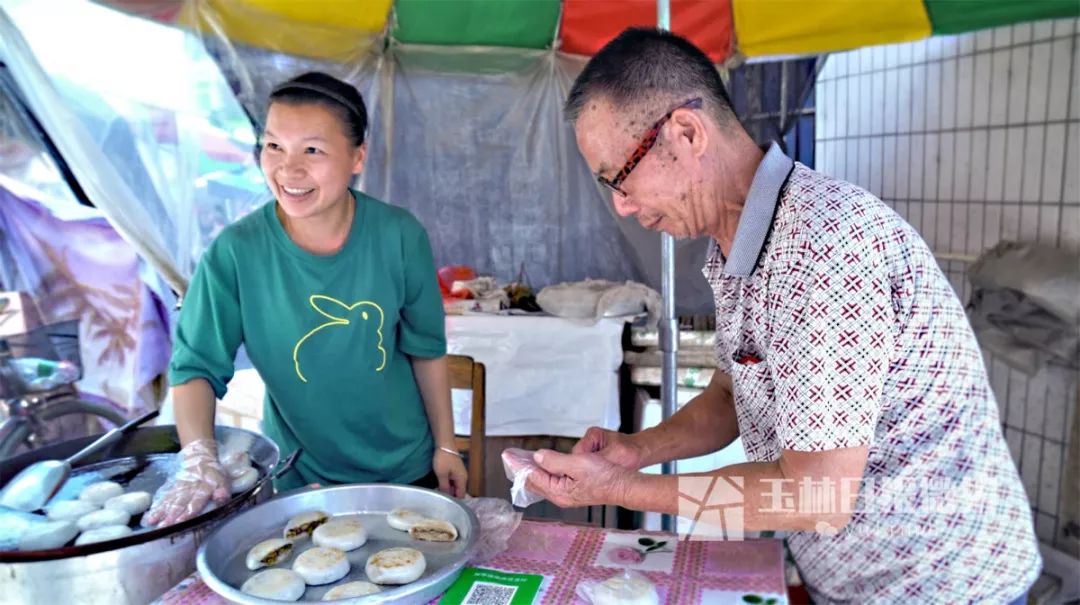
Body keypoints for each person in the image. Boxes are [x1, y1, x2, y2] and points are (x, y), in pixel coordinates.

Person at [525, 28, 1041, 604]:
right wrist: (637, 450)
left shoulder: (822, 248)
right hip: (852, 577)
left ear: (687, 132)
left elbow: (816, 497)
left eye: (619, 176)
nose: (621, 204)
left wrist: (625, 487)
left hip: (941, 585)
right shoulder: (739, 246)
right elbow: (731, 395)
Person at [145, 72, 466, 527]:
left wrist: (446, 446)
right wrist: (199, 458)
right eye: (274, 146)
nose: (288, 170)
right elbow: (195, 365)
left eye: (312, 150)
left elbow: (426, 350)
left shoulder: (399, 235)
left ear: (358, 157)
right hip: (302, 480)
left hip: (406, 472)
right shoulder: (236, 252)